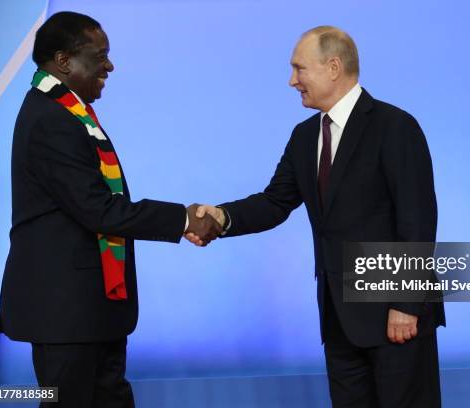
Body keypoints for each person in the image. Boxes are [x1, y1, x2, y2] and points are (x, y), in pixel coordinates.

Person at [190, 26, 445, 407]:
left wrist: (405, 305)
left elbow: (417, 220)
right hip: (339, 318)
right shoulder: (305, 136)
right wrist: (221, 217)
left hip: (396, 316)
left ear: (333, 67)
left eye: (299, 69)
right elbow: (275, 202)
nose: (292, 81)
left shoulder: (395, 126)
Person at [0, 11, 220, 407]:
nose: (110, 66)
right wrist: (184, 218)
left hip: (90, 311)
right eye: (100, 56)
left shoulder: (68, 113)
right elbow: (99, 210)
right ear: (64, 61)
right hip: (65, 314)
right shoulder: (51, 119)